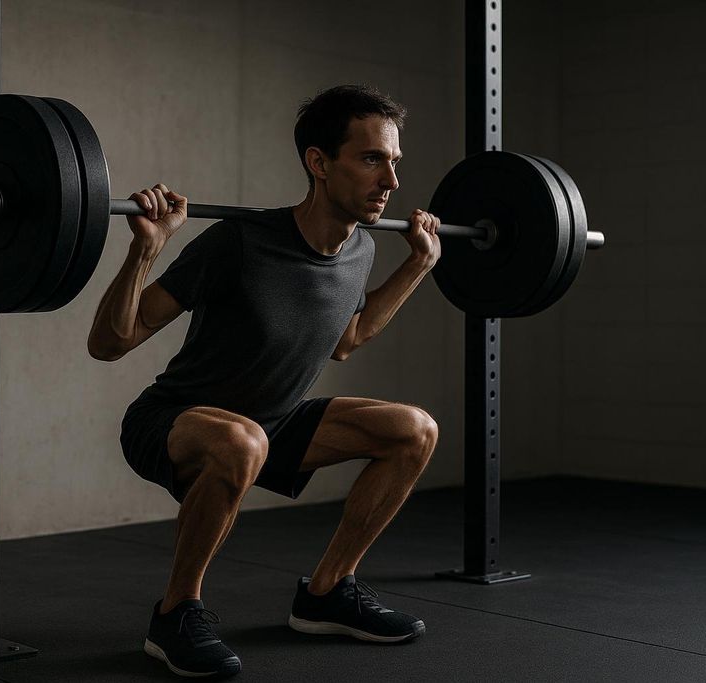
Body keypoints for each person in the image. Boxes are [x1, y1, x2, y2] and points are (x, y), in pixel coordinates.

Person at [88, 84, 441, 679]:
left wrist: (418, 265)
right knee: (241, 440)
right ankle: (175, 614)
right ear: (318, 163)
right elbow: (111, 342)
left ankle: (328, 593)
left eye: (395, 163)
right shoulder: (240, 241)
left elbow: (347, 341)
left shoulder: (359, 249)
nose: (391, 182)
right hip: (173, 420)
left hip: (273, 422)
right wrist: (146, 248)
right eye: (372, 158)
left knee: (414, 430)